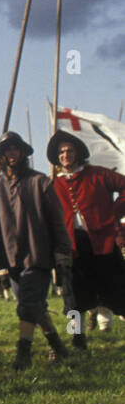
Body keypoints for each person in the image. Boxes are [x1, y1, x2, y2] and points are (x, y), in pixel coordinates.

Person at [0, 131, 73, 370]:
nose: (11, 153)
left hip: (37, 255)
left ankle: (24, 353)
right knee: (34, 306)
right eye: (7, 150)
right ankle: (58, 346)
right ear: (1, 155)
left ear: (22, 153)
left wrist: (63, 251)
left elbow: (57, 221)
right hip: (11, 259)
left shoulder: (40, 182)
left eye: (15, 149)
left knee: (27, 305)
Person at [47, 130, 125, 351]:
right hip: (72, 247)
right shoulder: (52, 185)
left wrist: (113, 211)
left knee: (118, 290)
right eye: (61, 152)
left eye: (70, 150)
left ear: (78, 153)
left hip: (102, 243)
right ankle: (77, 339)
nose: (65, 155)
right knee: (73, 299)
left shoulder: (98, 174)